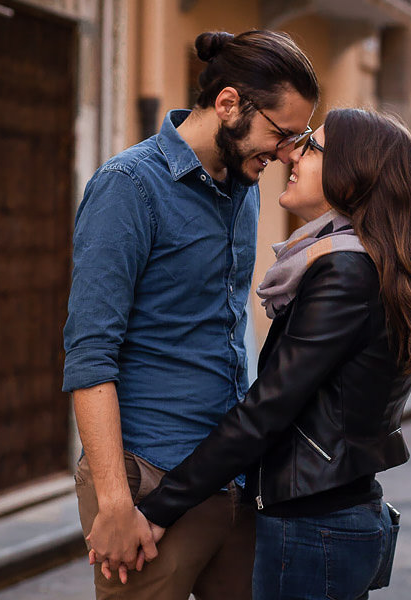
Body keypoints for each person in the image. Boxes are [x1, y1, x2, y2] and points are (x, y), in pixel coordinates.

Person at [123, 108, 411, 599]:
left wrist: (158, 508)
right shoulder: (363, 262)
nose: (292, 152)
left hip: (314, 526)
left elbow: (267, 410)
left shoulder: (346, 273)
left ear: (353, 172)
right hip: (334, 516)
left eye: (312, 146)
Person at [62, 30, 318, 599]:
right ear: (228, 104)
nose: (282, 154)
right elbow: (89, 353)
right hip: (150, 481)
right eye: (279, 134)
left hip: (233, 476)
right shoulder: (128, 187)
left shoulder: (243, 186)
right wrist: (114, 504)